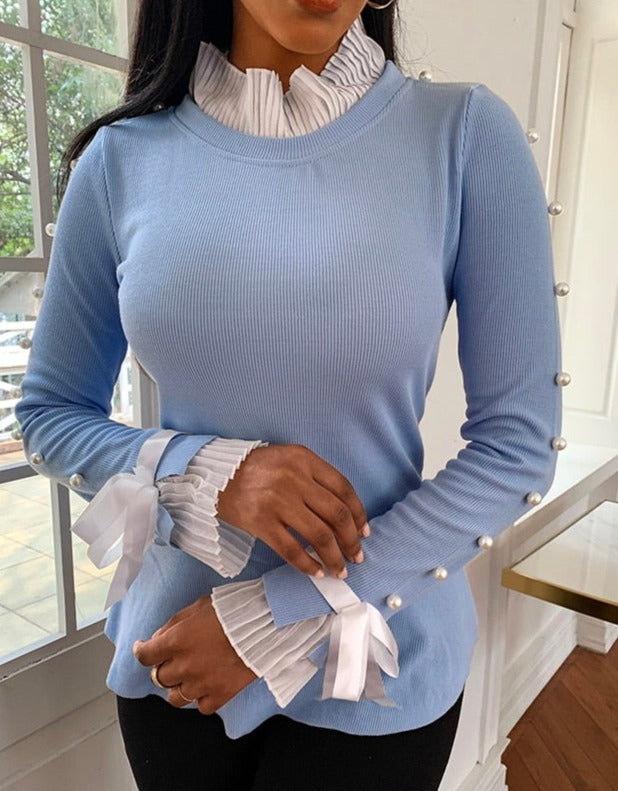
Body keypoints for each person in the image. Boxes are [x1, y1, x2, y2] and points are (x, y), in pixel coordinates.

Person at [15, 0, 564, 788]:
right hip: (178, 664)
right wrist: (209, 474)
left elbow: (517, 449)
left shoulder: (465, 136)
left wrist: (274, 616)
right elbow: (49, 415)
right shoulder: (118, 162)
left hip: (374, 671)